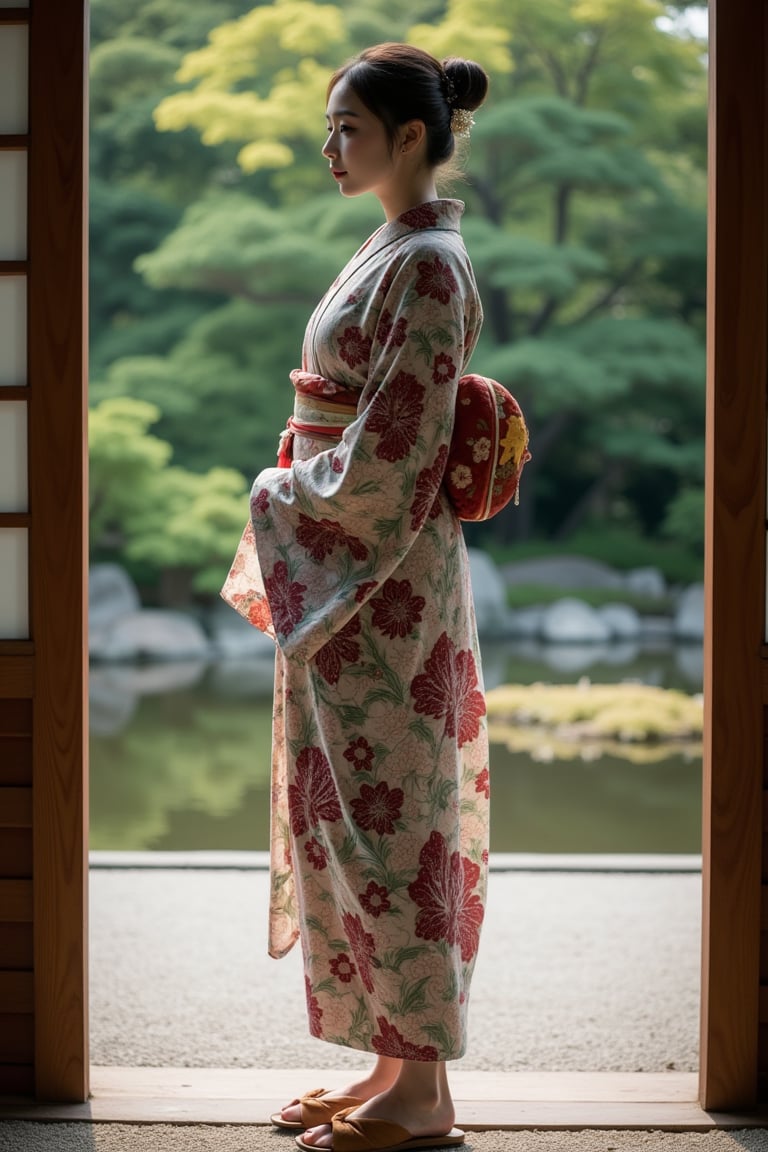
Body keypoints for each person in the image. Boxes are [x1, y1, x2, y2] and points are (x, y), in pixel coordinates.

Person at [221, 42, 491, 1152]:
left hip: (381, 577)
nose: (332, 147)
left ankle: (424, 1098)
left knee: (400, 827)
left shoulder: (429, 268)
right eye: (332, 128)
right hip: (353, 578)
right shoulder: (394, 250)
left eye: (350, 128)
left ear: (412, 137)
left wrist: (282, 487)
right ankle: (392, 1068)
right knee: (355, 822)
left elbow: (392, 454)